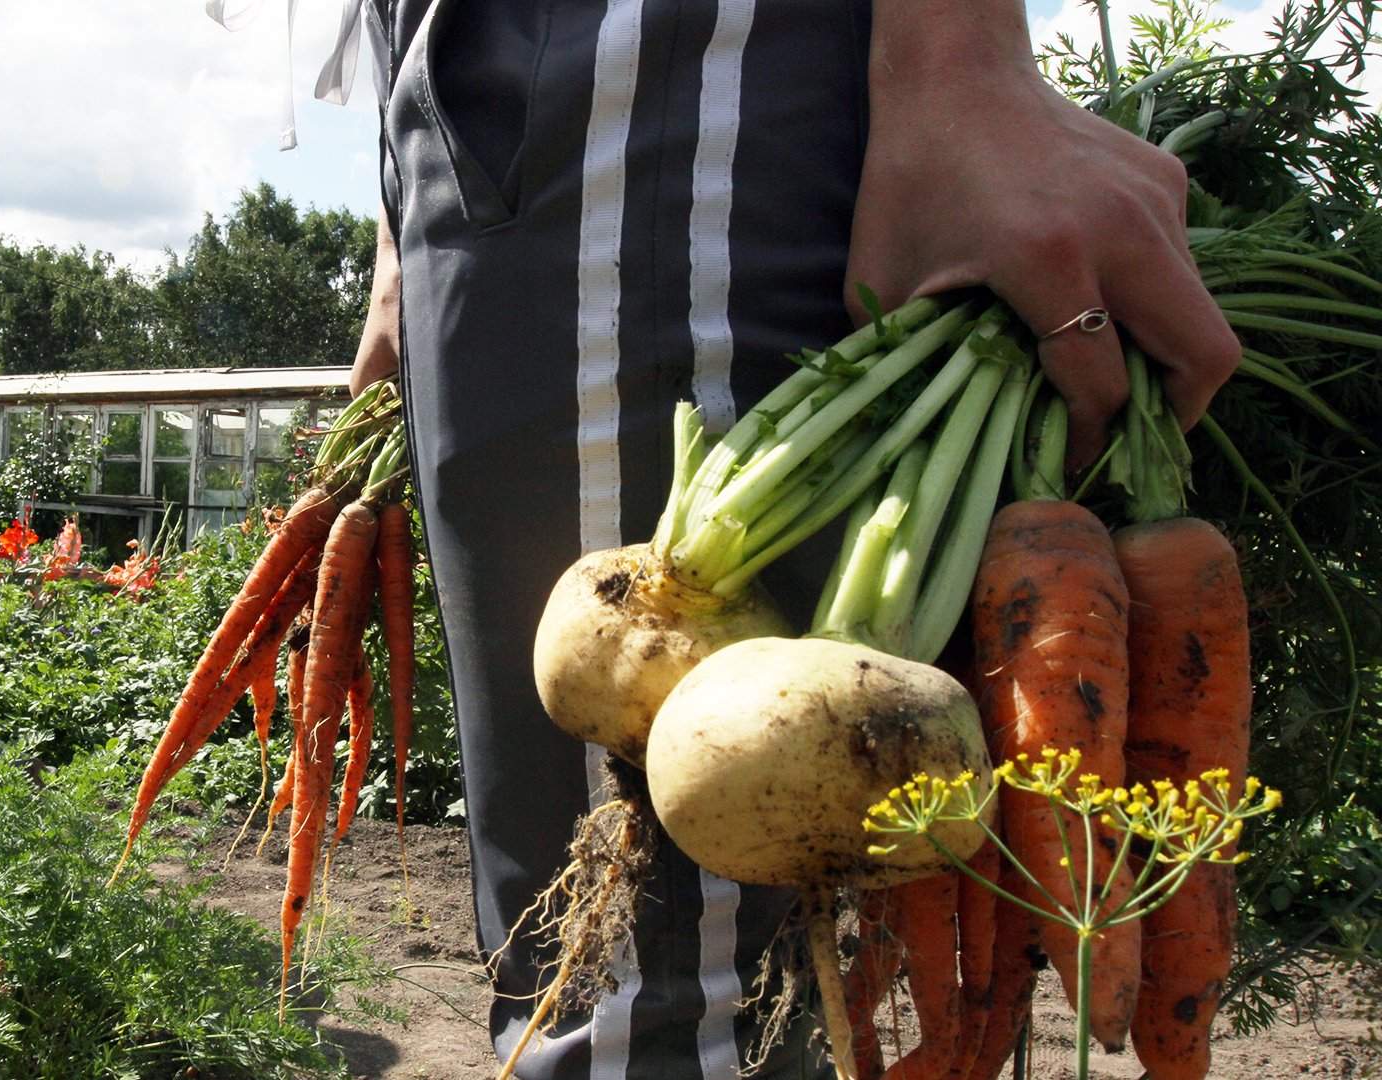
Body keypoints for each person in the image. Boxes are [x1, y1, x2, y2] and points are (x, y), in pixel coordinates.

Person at [342, 1, 1240, 1077]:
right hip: (461, 99)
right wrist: (402, 211)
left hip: (667, 50)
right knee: (594, 988)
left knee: (664, 1014)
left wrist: (961, 60)